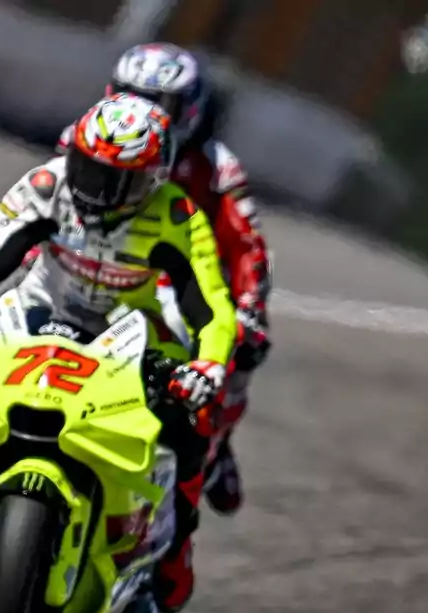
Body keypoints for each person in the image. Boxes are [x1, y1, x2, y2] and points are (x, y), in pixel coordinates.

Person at [0, 93, 237, 613]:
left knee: (190, 423)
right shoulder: (46, 184)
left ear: (150, 179)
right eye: (85, 164)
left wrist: (208, 364)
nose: (89, 185)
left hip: (132, 332)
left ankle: (176, 550)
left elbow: (213, 307)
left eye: (112, 177)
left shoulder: (176, 214)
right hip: (39, 313)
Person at [55, 42, 273, 515]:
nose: (147, 112)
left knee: (238, 346)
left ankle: (212, 447)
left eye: (163, 104)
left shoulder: (218, 166)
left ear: (191, 109)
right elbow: (48, 203)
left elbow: (246, 245)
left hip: (185, 280)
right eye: (134, 95)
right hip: (96, 262)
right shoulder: (86, 135)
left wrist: (251, 308)